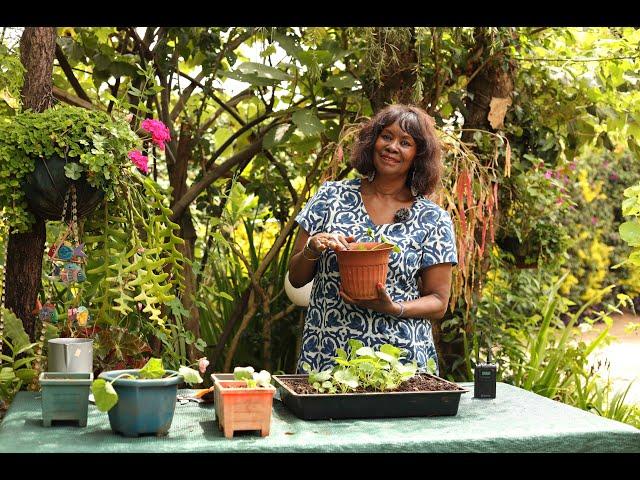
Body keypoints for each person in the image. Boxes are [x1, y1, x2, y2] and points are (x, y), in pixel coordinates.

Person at [288, 104, 458, 375]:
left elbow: (438, 301)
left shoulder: (432, 218)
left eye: (406, 142)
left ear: (418, 155)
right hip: (330, 357)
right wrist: (313, 247)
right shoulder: (330, 197)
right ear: (373, 141)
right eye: (386, 137)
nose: (392, 147)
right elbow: (296, 278)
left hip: (400, 363)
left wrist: (394, 307)